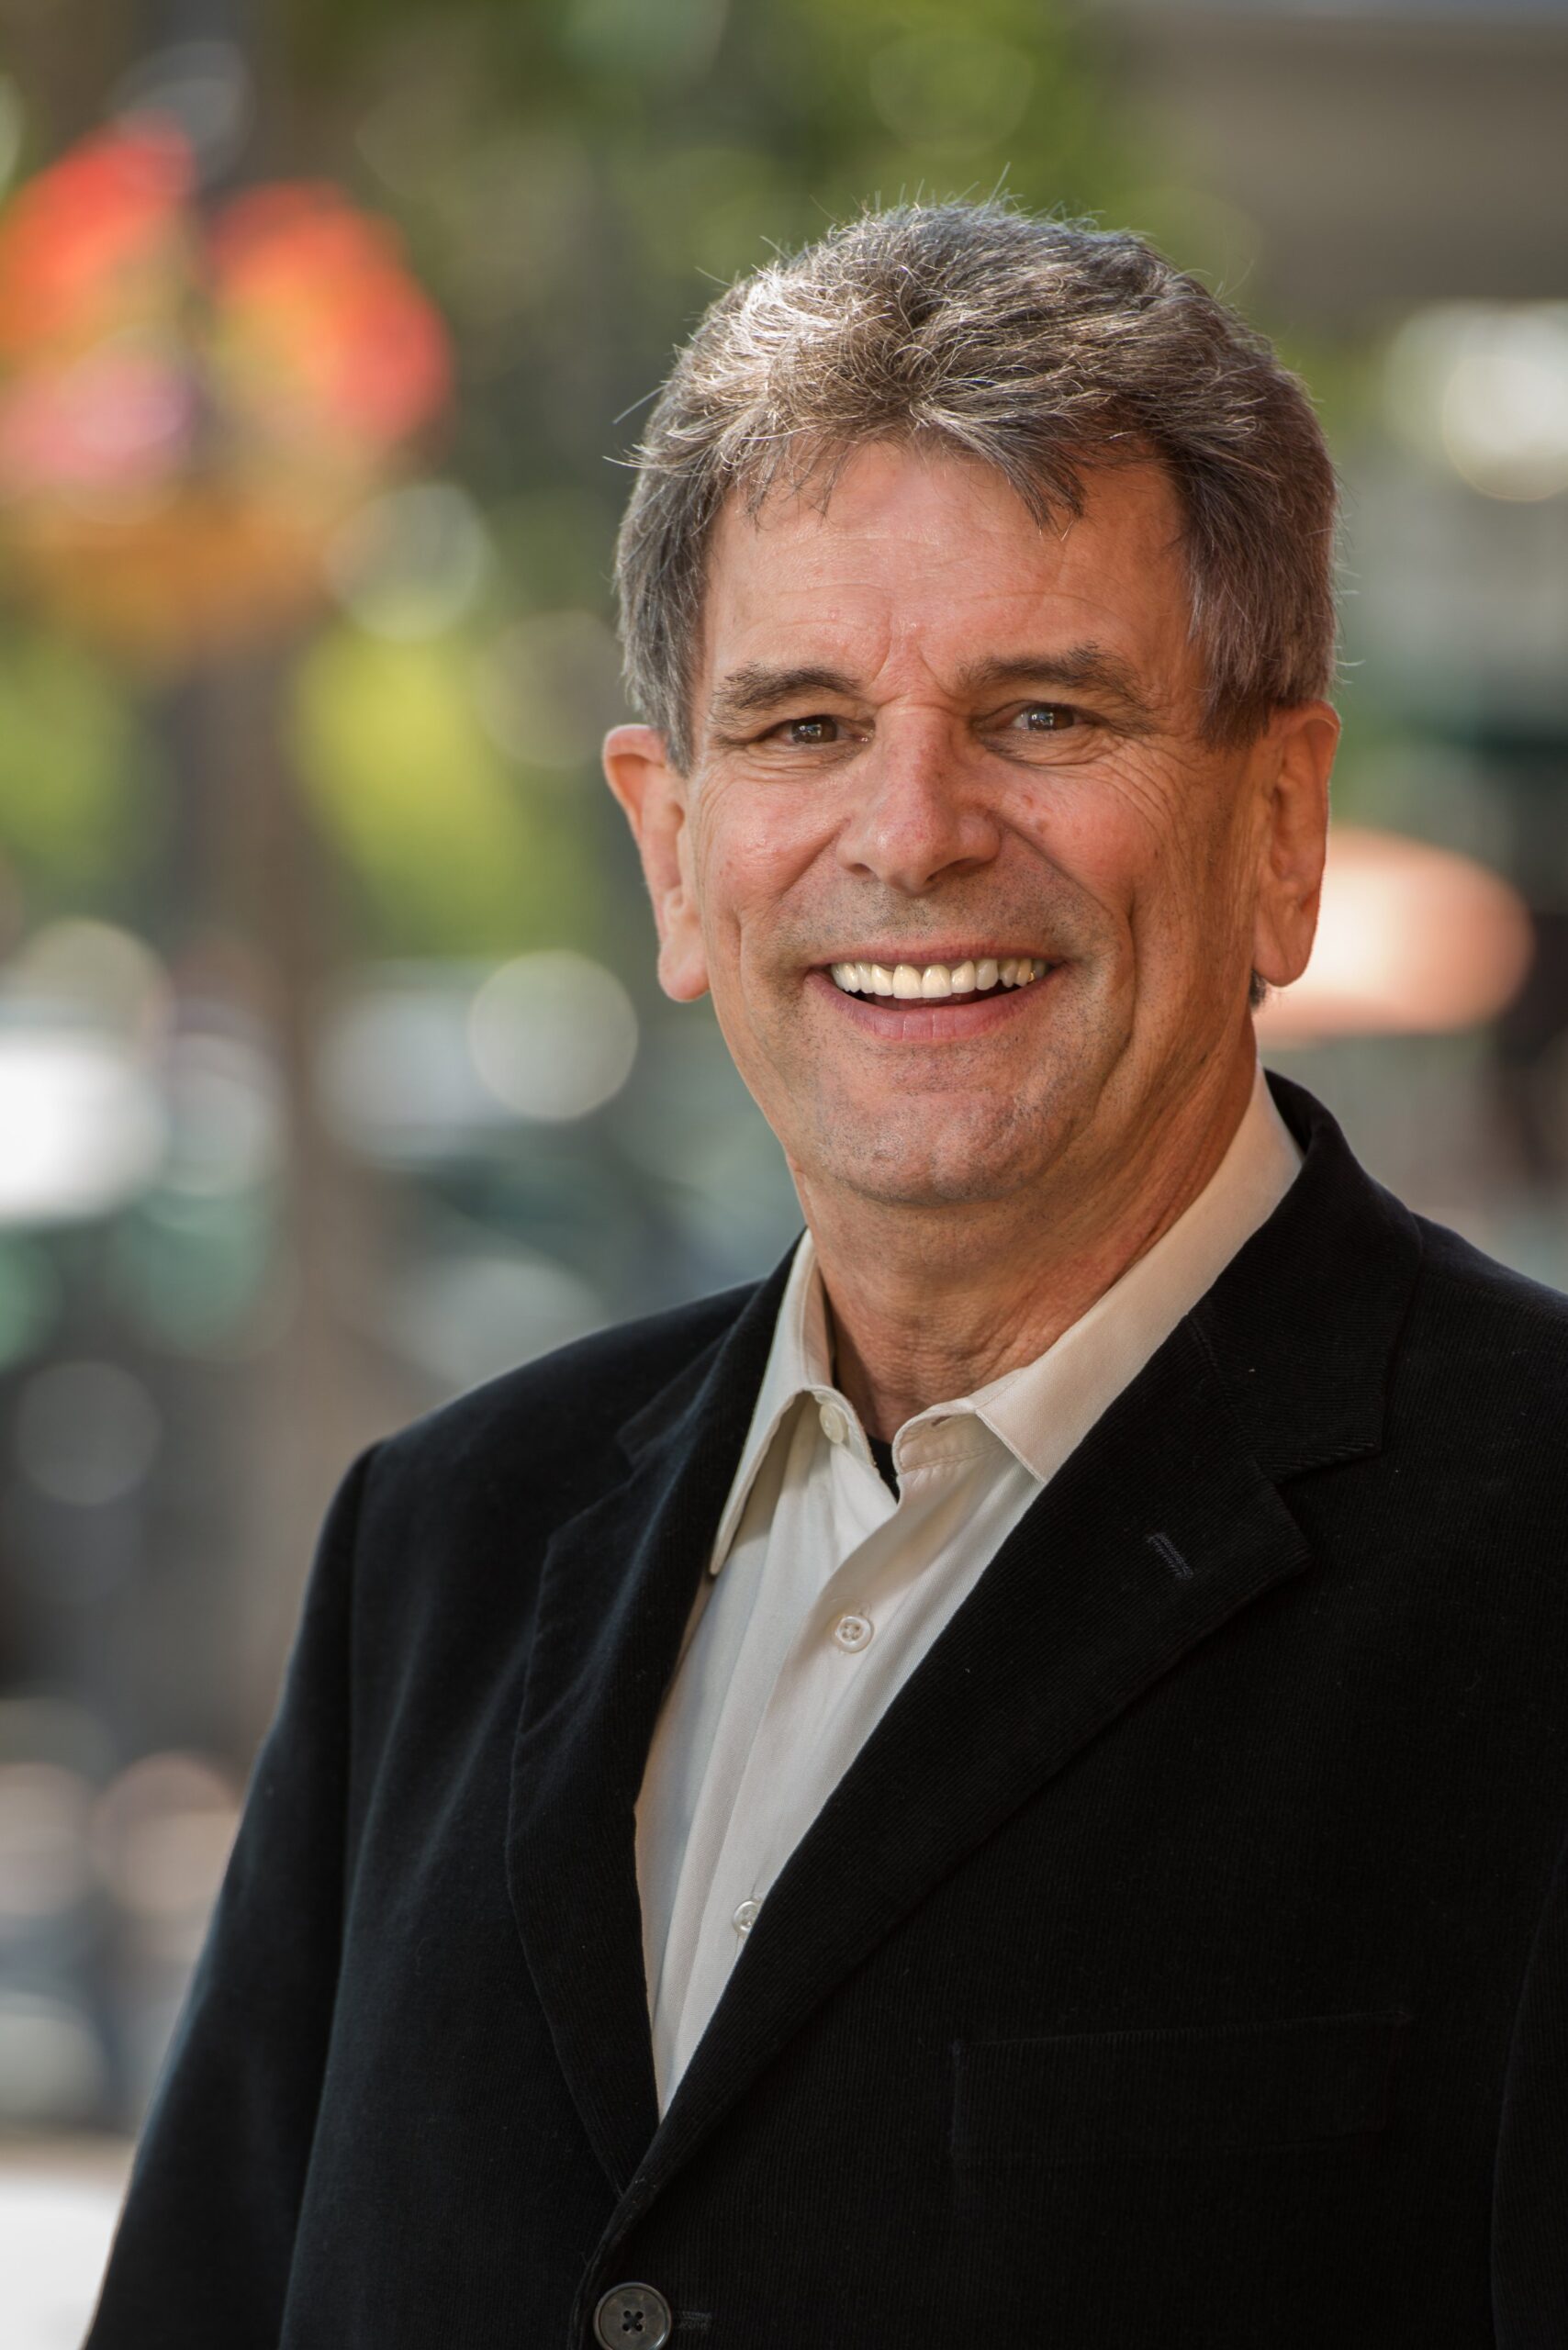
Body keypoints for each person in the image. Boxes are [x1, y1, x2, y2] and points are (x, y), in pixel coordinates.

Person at [85, 200, 1568, 2350]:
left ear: (1278, 824)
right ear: (669, 850)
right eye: (793, 727)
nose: (913, 828)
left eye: (1043, 710)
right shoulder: (445, 1544)